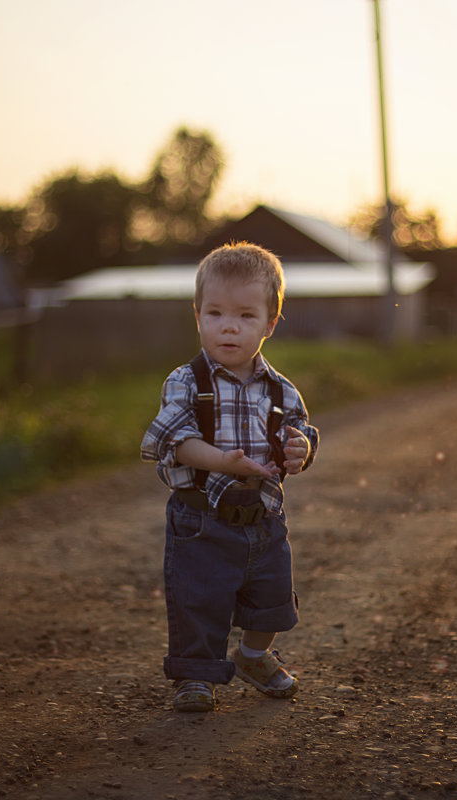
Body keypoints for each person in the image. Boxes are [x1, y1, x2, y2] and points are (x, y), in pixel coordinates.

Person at [140, 241, 319, 712]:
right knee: (198, 599)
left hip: (263, 516)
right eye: (216, 313)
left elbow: (299, 432)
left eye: (245, 316)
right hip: (201, 518)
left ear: (269, 324)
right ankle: (196, 676)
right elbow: (175, 440)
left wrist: (302, 449)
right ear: (197, 315)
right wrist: (223, 462)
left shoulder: (281, 389)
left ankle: (254, 654)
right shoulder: (187, 381)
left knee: (274, 597)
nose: (229, 326)